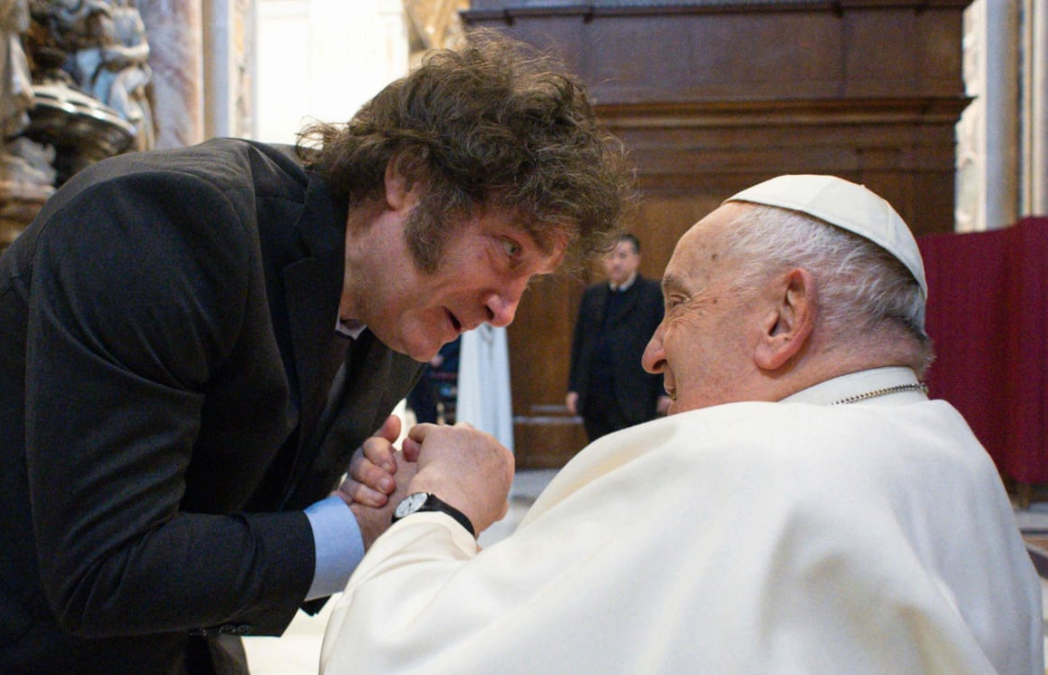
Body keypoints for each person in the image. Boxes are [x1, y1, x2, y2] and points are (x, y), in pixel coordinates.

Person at [0, 33, 629, 675]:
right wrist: (349, 533)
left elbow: (249, 532)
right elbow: (106, 567)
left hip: (148, 636)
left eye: (532, 278)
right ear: (408, 179)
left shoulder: (404, 313)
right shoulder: (161, 227)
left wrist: (364, 511)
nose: (507, 310)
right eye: (506, 252)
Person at [324, 175, 1044, 675]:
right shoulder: (957, 455)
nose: (654, 349)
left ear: (783, 316)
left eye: (682, 303)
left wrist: (440, 505)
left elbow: (395, 657)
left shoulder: (736, 462)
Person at [566, 232, 668, 441]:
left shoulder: (653, 294)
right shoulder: (592, 295)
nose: (616, 262)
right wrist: (574, 388)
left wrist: (664, 391)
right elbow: (580, 344)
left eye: (622, 255)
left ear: (637, 259)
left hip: (636, 393)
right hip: (595, 393)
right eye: (610, 256)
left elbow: (663, 344)